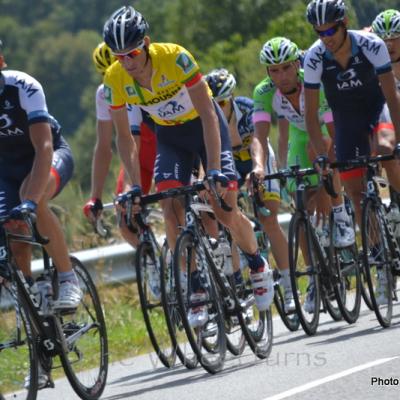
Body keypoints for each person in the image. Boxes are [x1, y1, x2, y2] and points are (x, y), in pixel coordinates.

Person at [102, 5, 274, 328]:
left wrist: (212, 169)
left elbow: (210, 115)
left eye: (133, 53)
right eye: (119, 56)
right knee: (170, 207)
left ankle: (256, 262)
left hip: (205, 128)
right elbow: (124, 138)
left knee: (223, 208)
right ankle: (196, 286)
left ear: (148, 44)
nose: (127, 62)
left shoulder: (176, 58)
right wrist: (136, 186)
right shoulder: (115, 78)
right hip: (171, 137)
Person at [304, 0, 400, 304]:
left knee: (386, 148)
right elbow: (310, 117)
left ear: (343, 22)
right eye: (319, 32)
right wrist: (321, 155)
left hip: (376, 110)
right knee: (355, 191)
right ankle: (380, 261)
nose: (326, 36)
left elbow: (390, 94)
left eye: (331, 29)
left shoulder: (371, 45)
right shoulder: (314, 57)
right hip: (346, 120)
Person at [0, 39, 82, 388]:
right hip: (5, 171)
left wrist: (31, 200)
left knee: (32, 202)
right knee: (14, 234)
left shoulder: (23, 86)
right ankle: (38, 331)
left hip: (47, 158)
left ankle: (67, 277)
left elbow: (44, 146)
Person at [205, 68, 294, 311]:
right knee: (226, 222)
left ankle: (289, 288)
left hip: (256, 160)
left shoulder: (245, 109)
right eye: (213, 103)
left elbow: (258, 141)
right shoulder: (206, 119)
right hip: (229, 166)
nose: (218, 107)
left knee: (269, 219)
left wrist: (257, 169)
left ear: (231, 98)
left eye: (222, 102)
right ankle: (237, 284)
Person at [83, 42, 157, 247]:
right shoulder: (103, 93)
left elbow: (134, 137)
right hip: (135, 155)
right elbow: (103, 147)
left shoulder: (132, 82)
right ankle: (157, 263)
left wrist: (131, 185)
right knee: (124, 219)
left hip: (157, 146)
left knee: (174, 204)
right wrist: (95, 197)